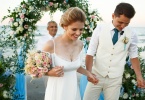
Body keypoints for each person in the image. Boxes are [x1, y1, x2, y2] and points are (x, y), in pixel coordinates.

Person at [84, 2, 145, 100]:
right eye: (120, 22)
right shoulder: (100, 28)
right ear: (113, 16)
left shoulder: (132, 34)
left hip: (115, 79)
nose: (123, 26)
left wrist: (139, 76)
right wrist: (89, 73)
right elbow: (90, 53)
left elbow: (134, 56)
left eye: (127, 23)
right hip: (96, 75)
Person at [42, 7, 98, 100]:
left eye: (81, 29)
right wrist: (49, 72)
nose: (78, 33)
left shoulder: (80, 44)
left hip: (73, 91)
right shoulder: (51, 45)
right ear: (64, 26)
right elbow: (38, 69)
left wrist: (88, 73)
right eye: (74, 29)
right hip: (57, 92)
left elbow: (74, 66)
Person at [36, 21, 60, 87]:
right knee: (48, 86)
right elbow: (39, 54)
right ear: (47, 28)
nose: (54, 28)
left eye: (55, 27)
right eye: (52, 27)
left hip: (59, 65)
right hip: (48, 67)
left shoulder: (60, 39)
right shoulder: (42, 39)